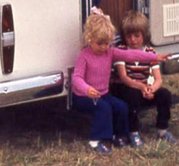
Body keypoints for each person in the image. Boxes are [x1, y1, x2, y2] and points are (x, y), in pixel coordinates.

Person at [71, 14, 168, 154]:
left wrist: (155, 57)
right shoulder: (84, 56)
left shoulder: (110, 53)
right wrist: (87, 90)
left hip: (103, 94)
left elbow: (133, 55)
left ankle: (120, 135)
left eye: (107, 43)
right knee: (103, 108)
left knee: (122, 107)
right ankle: (95, 141)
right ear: (89, 39)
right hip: (84, 97)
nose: (104, 47)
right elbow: (77, 78)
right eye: (100, 44)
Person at [110, 11, 178, 146]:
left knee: (165, 95)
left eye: (137, 36)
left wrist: (151, 89)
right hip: (127, 88)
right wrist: (141, 87)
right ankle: (133, 132)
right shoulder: (122, 50)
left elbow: (158, 79)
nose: (133, 40)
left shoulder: (150, 52)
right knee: (133, 96)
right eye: (129, 36)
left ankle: (162, 130)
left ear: (144, 35)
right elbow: (124, 77)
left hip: (144, 88)